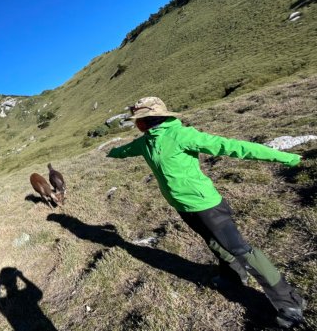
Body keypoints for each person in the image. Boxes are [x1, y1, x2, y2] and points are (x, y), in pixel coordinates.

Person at [106, 97, 306, 328]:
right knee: (212, 242)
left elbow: (234, 147)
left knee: (240, 248)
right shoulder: (146, 142)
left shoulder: (182, 135)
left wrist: (287, 158)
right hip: (182, 206)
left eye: (137, 121)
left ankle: (290, 301)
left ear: (147, 120)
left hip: (207, 206)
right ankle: (233, 276)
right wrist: (111, 153)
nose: (136, 125)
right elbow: (127, 150)